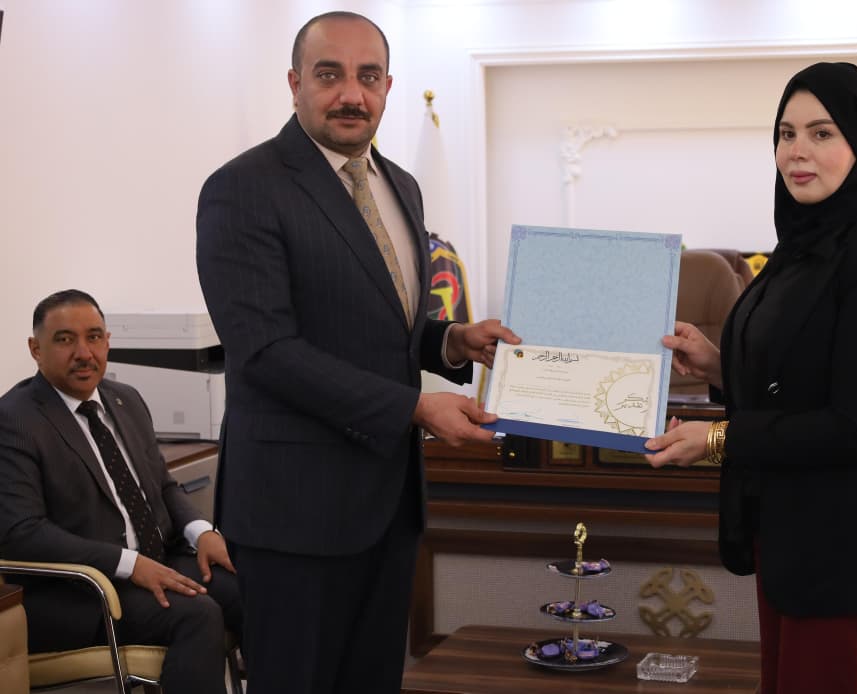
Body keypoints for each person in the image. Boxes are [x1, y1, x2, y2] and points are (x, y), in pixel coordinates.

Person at [195, 11, 519, 693]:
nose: (351, 94)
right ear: (295, 84)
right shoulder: (243, 188)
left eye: (368, 77)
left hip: (389, 507)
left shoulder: (401, 185)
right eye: (329, 75)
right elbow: (266, 352)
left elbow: (381, 323)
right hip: (294, 517)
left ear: (388, 87)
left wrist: (450, 339)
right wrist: (415, 409)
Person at [645, 62, 857, 693]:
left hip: (848, 553)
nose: (796, 151)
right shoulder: (803, 246)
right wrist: (718, 364)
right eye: (786, 133)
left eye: (821, 133)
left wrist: (718, 439)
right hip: (793, 540)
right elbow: (803, 374)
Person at [0, 289, 242, 694]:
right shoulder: (15, 421)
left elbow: (163, 486)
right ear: (35, 349)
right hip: (79, 590)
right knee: (197, 615)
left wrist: (202, 532)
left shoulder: (124, 399)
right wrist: (129, 563)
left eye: (94, 337)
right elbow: (22, 533)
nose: (83, 352)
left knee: (251, 588)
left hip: (158, 559)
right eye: (65, 340)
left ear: (108, 341)